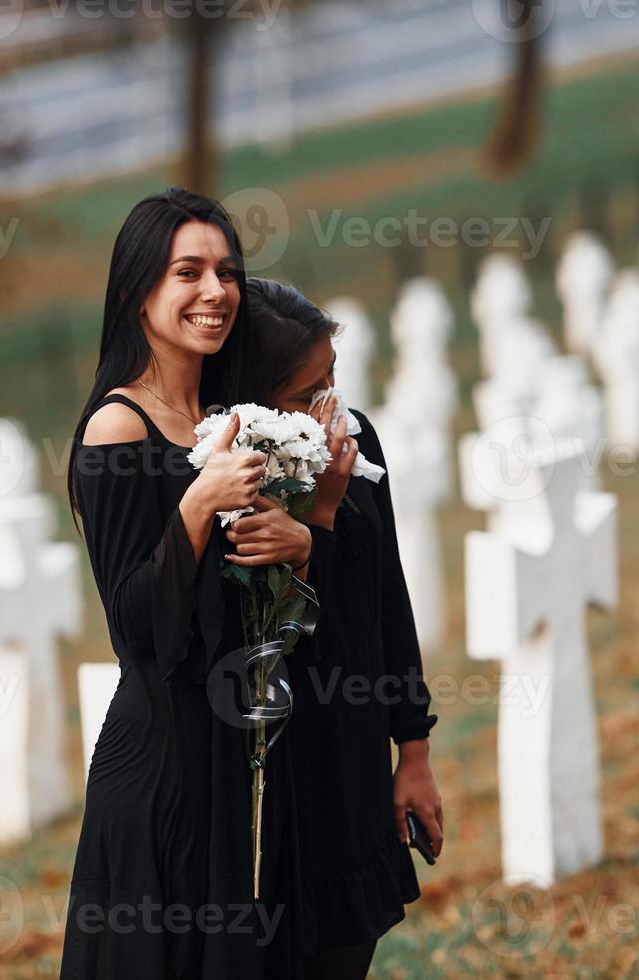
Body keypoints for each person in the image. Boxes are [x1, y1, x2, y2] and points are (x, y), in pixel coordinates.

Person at [61, 191, 315, 978]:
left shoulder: (224, 416)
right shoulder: (117, 429)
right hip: (159, 762)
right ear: (140, 292)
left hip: (222, 752)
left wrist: (298, 541)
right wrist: (199, 502)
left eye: (228, 272)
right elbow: (137, 633)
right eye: (189, 272)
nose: (216, 291)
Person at [233, 278, 444, 980]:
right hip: (281, 772)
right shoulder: (233, 478)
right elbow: (270, 627)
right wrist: (316, 517)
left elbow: (388, 598)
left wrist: (411, 751)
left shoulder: (354, 440)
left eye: (334, 380)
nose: (329, 408)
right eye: (305, 394)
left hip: (352, 753)